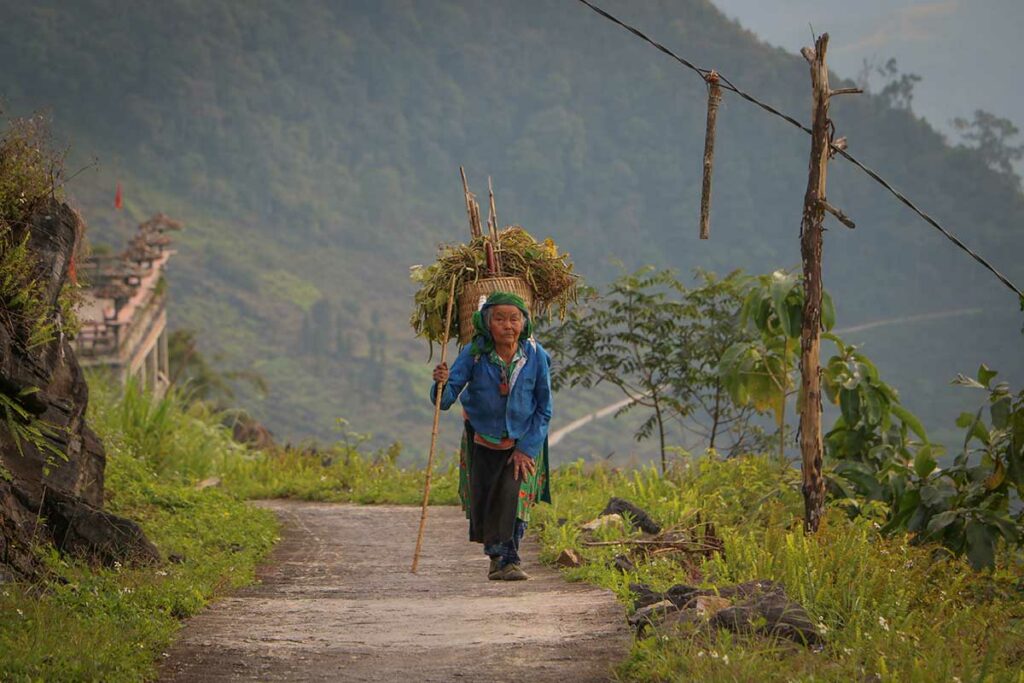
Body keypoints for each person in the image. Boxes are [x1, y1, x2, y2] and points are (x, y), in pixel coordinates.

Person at [430, 291, 552, 580]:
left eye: (514, 319)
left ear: (524, 323)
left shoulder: (535, 355)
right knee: (488, 503)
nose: (508, 325)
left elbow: (544, 408)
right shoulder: (474, 354)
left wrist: (526, 448)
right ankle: (498, 560)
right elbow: (445, 400)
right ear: (487, 322)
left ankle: (508, 560)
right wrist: (440, 383)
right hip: (482, 440)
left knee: (515, 500)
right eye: (499, 319)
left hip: (523, 441)